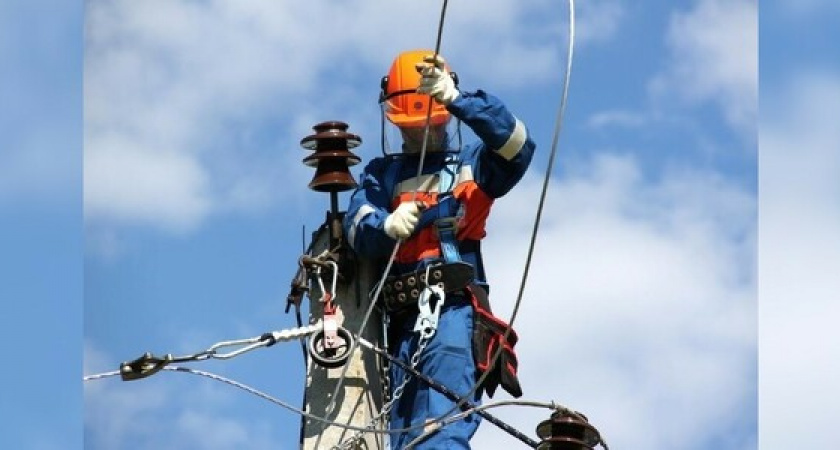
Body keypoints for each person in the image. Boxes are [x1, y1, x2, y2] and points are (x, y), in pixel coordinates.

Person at [343, 49, 534, 449]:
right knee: (400, 435)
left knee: (440, 430)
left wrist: (460, 100)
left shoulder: (474, 165)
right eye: (411, 127)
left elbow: (518, 147)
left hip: (451, 315)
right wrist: (386, 225)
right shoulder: (383, 175)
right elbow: (358, 226)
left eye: (430, 121)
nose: (421, 132)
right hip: (397, 329)